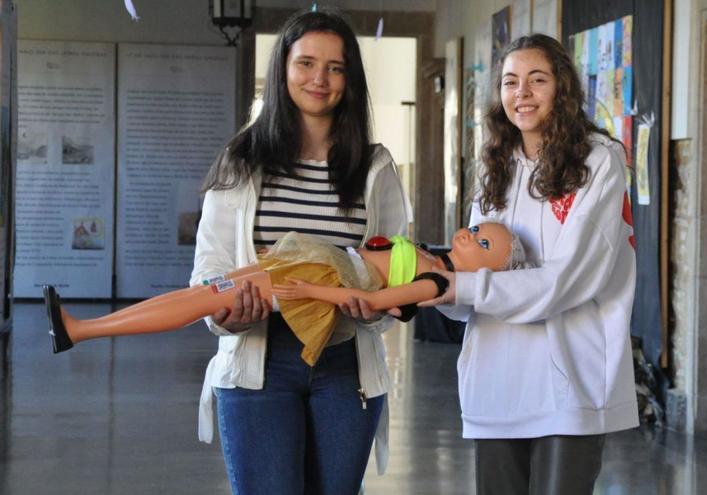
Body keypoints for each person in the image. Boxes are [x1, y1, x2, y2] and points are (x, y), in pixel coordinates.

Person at [191, 10, 406, 495]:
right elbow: (211, 266)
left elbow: (397, 272)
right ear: (282, 68)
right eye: (306, 63)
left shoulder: (374, 168)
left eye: (335, 67)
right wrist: (227, 317)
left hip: (345, 364)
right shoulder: (243, 159)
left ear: (349, 79)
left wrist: (370, 309)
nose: (319, 79)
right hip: (259, 360)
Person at [419, 34, 639, 495]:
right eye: (510, 82)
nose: (522, 93)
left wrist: (458, 287)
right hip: (496, 379)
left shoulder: (599, 160)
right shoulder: (495, 166)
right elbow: (475, 278)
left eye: (537, 80)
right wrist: (434, 285)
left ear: (563, 88)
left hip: (569, 380)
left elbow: (568, 280)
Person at [44, 222, 523, 367]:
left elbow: (378, 304)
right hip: (318, 266)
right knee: (207, 293)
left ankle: (84, 330)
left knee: (204, 299)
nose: (471, 234)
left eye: (484, 244)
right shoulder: (434, 258)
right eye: (478, 229)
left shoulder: (438, 284)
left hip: (319, 281)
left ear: (492, 270)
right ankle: (82, 329)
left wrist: (309, 288)